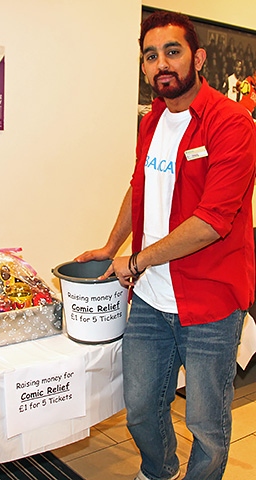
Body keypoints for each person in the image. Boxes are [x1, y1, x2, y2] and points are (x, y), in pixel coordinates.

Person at [75, 10, 256, 480]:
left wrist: (132, 260)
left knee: (206, 421)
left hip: (211, 301)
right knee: (138, 406)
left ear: (197, 57)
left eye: (172, 52)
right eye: (150, 56)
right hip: (153, 297)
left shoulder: (232, 123)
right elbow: (139, 186)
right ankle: (159, 471)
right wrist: (109, 245)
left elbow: (211, 222)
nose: (161, 65)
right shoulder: (153, 119)